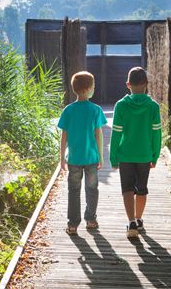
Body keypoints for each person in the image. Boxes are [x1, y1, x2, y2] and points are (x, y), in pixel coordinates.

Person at [109, 66, 162, 238]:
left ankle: (131, 222)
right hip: (145, 155)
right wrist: (155, 155)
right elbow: (157, 134)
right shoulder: (153, 106)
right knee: (142, 189)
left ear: (128, 84)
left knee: (127, 189)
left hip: (125, 155)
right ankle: (139, 219)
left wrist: (113, 156)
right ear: (146, 84)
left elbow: (116, 133)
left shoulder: (121, 106)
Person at [58, 71, 107, 235]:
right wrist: (101, 156)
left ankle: (72, 224)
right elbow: (98, 134)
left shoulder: (68, 110)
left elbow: (63, 136)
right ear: (87, 89)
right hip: (92, 158)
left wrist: (61, 158)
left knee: (74, 191)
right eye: (93, 87)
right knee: (92, 189)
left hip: (73, 159)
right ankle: (91, 220)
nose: (94, 89)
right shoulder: (96, 110)